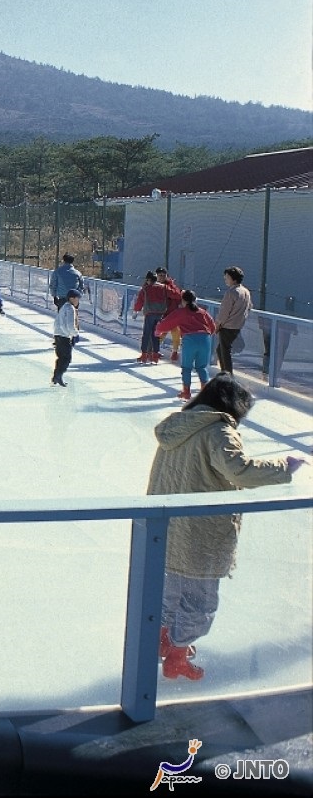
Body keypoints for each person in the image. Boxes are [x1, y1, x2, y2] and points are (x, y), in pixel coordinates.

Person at [146, 375, 304, 680]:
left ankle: (163, 640)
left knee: (171, 593)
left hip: (169, 528)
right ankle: (176, 657)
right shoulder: (218, 430)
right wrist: (284, 466)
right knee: (200, 600)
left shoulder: (180, 424)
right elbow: (239, 470)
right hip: (201, 533)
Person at [155, 290, 216, 401]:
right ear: (195, 300)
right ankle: (205, 393)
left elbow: (166, 323)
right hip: (205, 340)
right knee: (202, 367)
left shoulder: (181, 312)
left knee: (187, 367)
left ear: (183, 300)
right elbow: (212, 326)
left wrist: (158, 331)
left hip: (190, 340)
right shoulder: (203, 312)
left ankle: (186, 392)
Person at [133, 270, 175, 364]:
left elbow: (139, 302)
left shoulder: (145, 289)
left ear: (148, 280)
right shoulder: (164, 287)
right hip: (160, 313)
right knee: (156, 335)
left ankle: (144, 355)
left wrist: (136, 310)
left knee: (146, 335)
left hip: (149, 314)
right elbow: (174, 294)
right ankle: (155, 356)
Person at [215, 266, 251, 375]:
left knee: (225, 351)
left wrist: (217, 324)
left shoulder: (231, 292)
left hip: (227, 326)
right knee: (220, 350)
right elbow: (249, 307)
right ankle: (225, 373)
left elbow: (224, 312)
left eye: (227, 277)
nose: (225, 279)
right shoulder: (245, 291)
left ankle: (227, 375)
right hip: (237, 325)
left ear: (234, 279)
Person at [51, 288, 81, 386]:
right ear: (72, 298)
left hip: (58, 335)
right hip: (64, 337)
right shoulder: (70, 309)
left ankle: (56, 376)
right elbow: (69, 325)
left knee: (61, 358)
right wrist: (75, 334)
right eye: (77, 298)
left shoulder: (64, 307)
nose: (78, 301)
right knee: (66, 358)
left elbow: (57, 322)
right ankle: (58, 376)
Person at [154, 268, 183, 361]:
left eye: (163, 275)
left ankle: (175, 352)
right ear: (156, 276)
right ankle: (154, 350)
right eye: (160, 275)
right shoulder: (153, 285)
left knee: (176, 333)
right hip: (160, 313)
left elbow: (177, 295)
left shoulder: (170, 285)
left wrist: (166, 289)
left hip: (172, 313)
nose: (162, 277)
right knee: (160, 333)